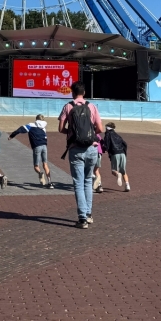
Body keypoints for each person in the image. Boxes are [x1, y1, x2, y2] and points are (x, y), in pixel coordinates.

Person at [59, 81, 104, 229]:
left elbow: (61, 129)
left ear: (72, 92)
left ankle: (82, 218)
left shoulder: (68, 106)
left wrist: (73, 134)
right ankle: (89, 214)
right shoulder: (92, 106)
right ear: (84, 93)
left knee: (78, 183)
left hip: (75, 149)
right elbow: (100, 128)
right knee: (87, 182)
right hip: (92, 148)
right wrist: (89, 135)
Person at [9, 114, 52, 188]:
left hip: (37, 146)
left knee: (36, 166)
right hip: (44, 146)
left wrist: (11, 136)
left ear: (36, 119)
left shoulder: (31, 125)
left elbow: (20, 129)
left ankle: (40, 173)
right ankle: (50, 183)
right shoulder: (44, 127)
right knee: (45, 164)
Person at [102, 121, 130, 192]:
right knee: (124, 171)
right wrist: (124, 153)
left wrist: (105, 149)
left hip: (115, 153)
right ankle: (127, 185)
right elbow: (124, 144)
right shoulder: (118, 135)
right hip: (122, 153)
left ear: (107, 128)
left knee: (114, 171)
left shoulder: (108, 134)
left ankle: (118, 175)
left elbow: (106, 144)